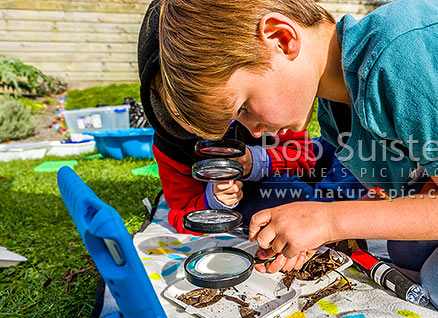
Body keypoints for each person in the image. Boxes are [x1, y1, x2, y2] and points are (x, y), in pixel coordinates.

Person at [154, 0, 438, 318]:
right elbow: (433, 181)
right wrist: (317, 232)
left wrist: (330, 220)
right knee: (406, 250)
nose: (253, 133)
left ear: (281, 38)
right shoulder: (334, 109)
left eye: (243, 106)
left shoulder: (404, 49)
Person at [137, 1, 366, 273]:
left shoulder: (277, 101)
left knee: (339, 152)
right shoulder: (173, 145)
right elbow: (181, 210)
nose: (251, 130)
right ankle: (330, 211)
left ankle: (337, 208)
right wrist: (216, 201)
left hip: (291, 165)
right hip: (268, 192)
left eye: (237, 111)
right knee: (282, 200)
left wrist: (258, 161)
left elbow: (304, 155)